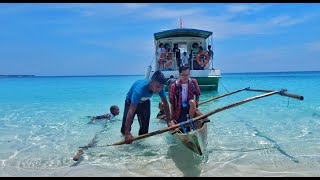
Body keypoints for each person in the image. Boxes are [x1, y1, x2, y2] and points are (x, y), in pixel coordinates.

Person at [120, 70, 173, 144]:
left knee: (144, 131)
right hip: (131, 102)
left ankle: (141, 149)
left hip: (145, 102)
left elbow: (166, 104)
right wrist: (127, 133)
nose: (159, 90)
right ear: (151, 83)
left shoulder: (160, 87)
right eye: (157, 87)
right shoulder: (139, 90)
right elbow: (131, 111)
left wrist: (169, 121)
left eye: (161, 87)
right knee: (124, 130)